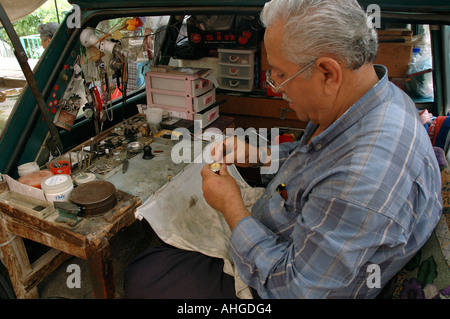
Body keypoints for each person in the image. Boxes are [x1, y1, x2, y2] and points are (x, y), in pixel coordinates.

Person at [124, 0, 443, 299]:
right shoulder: (378, 97)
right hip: (283, 229)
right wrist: (260, 155)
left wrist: (232, 207)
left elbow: (294, 291)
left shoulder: (362, 181)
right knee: (162, 250)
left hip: (276, 282)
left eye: (280, 74)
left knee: (142, 277)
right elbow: (317, 159)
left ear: (327, 73)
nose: (276, 87)